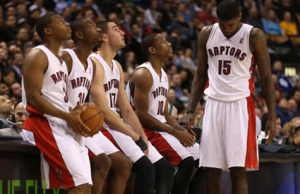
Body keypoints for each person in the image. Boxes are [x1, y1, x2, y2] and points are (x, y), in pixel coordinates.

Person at [186, 1, 277, 194]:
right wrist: (190, 109)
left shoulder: (254, 35)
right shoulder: (207, 33)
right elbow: (200, 75)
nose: (226, 29)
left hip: (240, 105)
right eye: (222, 25)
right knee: (210, 171)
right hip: (213, 105)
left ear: (239, 17)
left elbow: (267, 78)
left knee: (238, 171)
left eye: (231, 25)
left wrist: (273, 117)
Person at [89, 20, 175, 194]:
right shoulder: (94, 62)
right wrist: (135, 135)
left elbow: (126, 109)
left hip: (116, 125)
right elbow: (104, 111)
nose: (122, 32)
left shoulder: (118, 67)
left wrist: (142, 137)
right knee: (142, 168)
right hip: (99, 125)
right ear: (104, 36)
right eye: (116, 29)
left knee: (159, 168)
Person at [21, 13, 93, 193]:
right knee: (79, 186)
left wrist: (76, 112)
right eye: (61, 22)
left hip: (62, 124)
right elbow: (33, 98)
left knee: (86, 187)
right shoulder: (37, 55)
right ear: (48, 31)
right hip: (44, 124)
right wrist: (67, 116)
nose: (68, 24)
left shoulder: (60, 61)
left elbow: (57, 98)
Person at [60, 18, 132, 194]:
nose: (99, 31)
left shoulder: (90, 64)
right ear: (80, 35)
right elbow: (54, 96)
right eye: (93, 27)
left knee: (115, 163)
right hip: (63, 123)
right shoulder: (66, 58)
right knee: (101, 163)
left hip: (79, 124)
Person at [126, 33, 202, 194]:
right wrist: (174, 131)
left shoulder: (164, 75)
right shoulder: (144, 74)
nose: (169, 44)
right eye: (163, 41)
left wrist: (182, 131)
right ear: (152, 50)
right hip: (145, 129)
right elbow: (142, 115)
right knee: (187, 162)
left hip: (161, 127)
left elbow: (165, 114)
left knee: (206, 160)